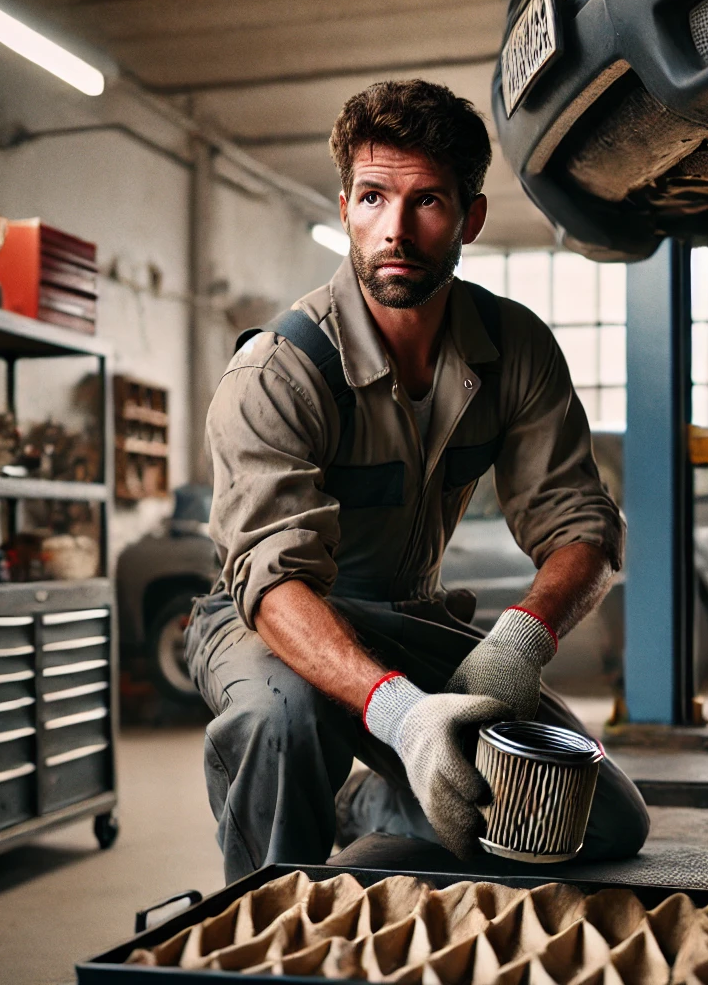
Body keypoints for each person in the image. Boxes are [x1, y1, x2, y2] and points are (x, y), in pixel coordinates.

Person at [186, 79, 649, 884]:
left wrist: (518, 645)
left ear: (469, 217)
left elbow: (583, 527)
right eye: (372, 197)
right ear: (344, 207)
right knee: (281, 718)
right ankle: (260, 919)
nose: (394, 230)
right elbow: (275, 581)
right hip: (268, 620)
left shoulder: (517, 349)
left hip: (410, 619)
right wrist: (403, 717)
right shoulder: (278, 372)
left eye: (427, 201)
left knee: (594, 818)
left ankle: (367, 806)